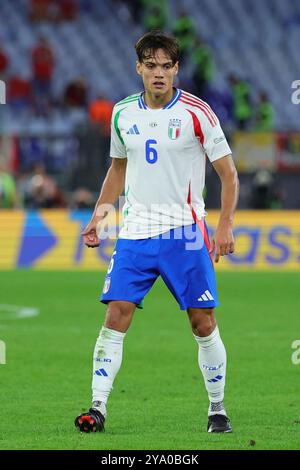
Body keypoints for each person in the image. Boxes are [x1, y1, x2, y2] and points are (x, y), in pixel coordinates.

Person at [75, 30, 239, 434]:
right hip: (135, 233)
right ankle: (97, 408)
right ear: (139, 69)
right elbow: (117, 168)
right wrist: (101, 215)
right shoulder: (122, 114)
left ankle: (217, 408)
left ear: (177, 69)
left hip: (185, 233)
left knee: (202, 321)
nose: (159, 73)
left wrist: (224, 223)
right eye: (151, 65)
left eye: (167, 66)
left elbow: (228, 174)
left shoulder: (198, 113)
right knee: (116, 314)